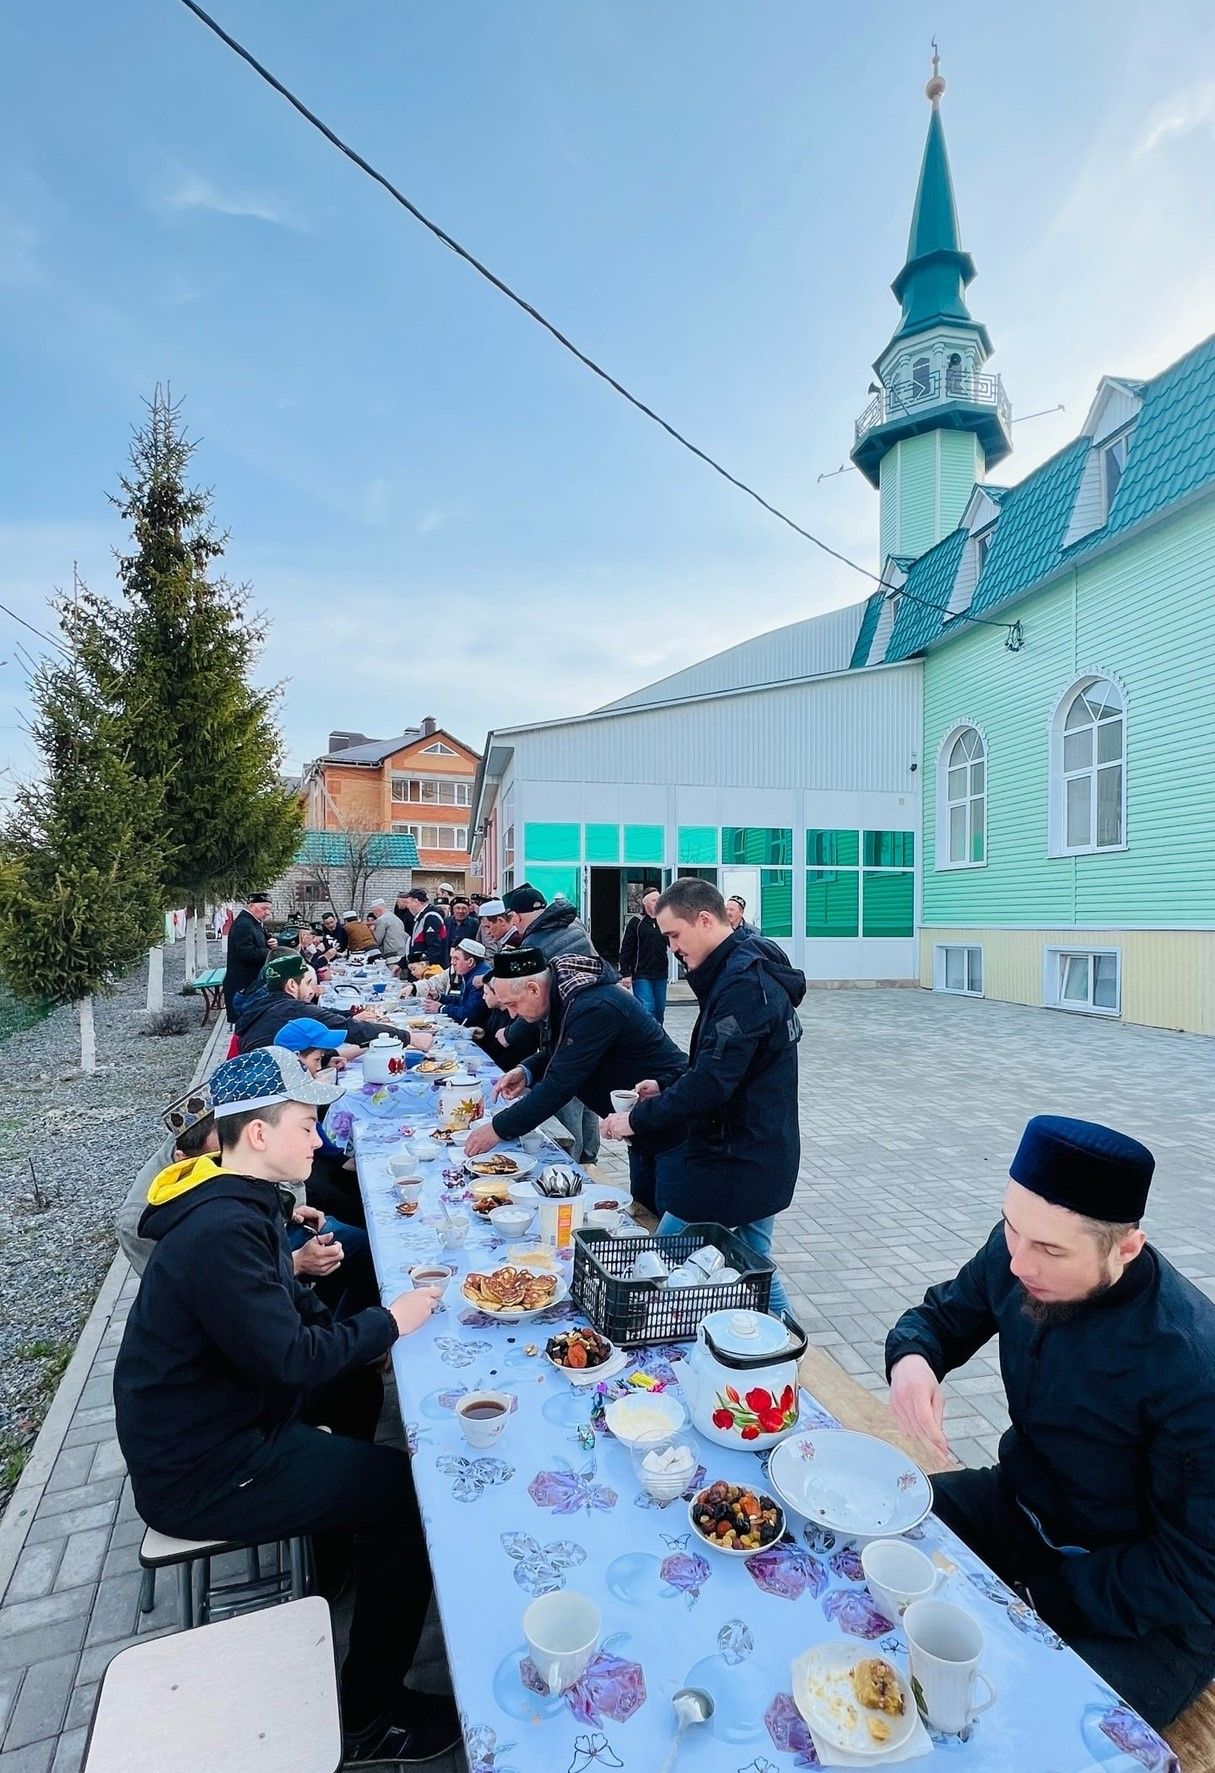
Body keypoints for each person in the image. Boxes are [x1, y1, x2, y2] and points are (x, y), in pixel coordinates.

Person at [113, 1049, 457, 1764]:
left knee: (357, 1382)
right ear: (259, 1134)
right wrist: (391, 1321)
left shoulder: (241, 1199)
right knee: (402, 1493)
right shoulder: (220, 1231)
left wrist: (363, 1337)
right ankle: (368, 1713)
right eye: (307, 1123)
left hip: (228, 1417)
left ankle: (336, 1557)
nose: (319, 1141)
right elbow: (293, 1357)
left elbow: (295, 1323)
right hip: (205, 1467)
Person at [885, 1115, 1215, 1730]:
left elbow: (1195, 1570)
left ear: (1125, 1248)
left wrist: (1039, 1600)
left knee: (1029, 1718)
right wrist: (911, 1362)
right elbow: (939, 1318)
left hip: (1147, 1600)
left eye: (1049, 1250)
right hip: (1024, 1505)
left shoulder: (1191, 1364)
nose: (1018, 1263)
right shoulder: (1017, 1248)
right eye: (1012, 1230)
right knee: (875, 1526)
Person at [602, 879, 804, 1315]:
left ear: (706, 920)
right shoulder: (736, 969)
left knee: (669, 1250)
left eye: (675, 935)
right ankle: (783, 1338)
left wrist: (635, 1120)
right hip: (758, 1146)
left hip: (739, 1153)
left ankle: (782, 1338)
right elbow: (723, 1066)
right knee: (753, 1261)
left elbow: (714, 1082)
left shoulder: (743, 982)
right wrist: (668, 1086)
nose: (672, 948)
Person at [463, 948, 687, 1211]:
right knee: (644, 1207)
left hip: (670, 1124)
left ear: (534, 989)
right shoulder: (564, 996)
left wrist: (497, 1129)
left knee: (668, 1217)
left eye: (513, 1004)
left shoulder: (593, 1006)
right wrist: (527, 1070)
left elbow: (559, 1085)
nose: (512, 1015)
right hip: (638, 1125)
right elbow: (560, 1050)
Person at [502, 884, 603, 1165]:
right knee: (586, 1099)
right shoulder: (572, 925)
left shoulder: (536, 943)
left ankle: (573, 1163)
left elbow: (532, 999)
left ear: (517, 917)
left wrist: (509, 1035)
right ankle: (590, 1157)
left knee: (566, 1097)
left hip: (569, 1024)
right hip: (589, 1022)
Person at [234, 953, 390, 1052]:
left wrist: (328, 1058)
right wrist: (409, 1037)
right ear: (292, 985)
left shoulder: (264, 1002)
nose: (312, 990)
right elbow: (351, 1029)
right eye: (308, 983)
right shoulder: (292, 1008)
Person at [619, 888, 669, 1024]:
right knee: (647, 1008)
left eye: (659, 900)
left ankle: (658, 1040)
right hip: (641, 974)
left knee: (659, 1010)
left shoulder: (664, 921)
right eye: (654, 901)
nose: (657, 903)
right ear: (645, 903)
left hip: (661, 974)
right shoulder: (636, 922)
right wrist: (625, 973)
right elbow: (627, 948)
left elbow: (675, 943)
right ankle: (648, 1041)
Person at [222, 892, 275, 1020]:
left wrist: (272, 941)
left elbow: (261, 941)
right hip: (242, 986)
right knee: (244, 1026)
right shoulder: (244, 925)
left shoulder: (254, 922)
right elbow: (246, 953)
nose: (267, 912)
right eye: (264, 908)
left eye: (269, 909)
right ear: (251, 906)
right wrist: (271, 953)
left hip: (249, 983)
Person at [440, 938, 492, 1024]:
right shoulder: (470, 973)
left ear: (470, 962)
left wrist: (441, 1008)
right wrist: (440, 997)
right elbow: (462, 1001)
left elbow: (468, 1014)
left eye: (456, 959)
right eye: (452, 958)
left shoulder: (477, 979)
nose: (452, 963)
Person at [402, 888, 449, 967]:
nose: (407, 906)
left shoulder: (431, 918)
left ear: (416, 902)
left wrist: (422, 965)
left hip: (430, 971)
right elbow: (416, 947)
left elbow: (434, 949)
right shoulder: (420, 918)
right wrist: (401, 963)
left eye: (408, 903)